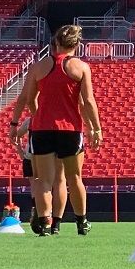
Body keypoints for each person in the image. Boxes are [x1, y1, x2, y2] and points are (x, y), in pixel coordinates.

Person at [10, 24, 102, 237]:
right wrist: (96, 129)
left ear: (55, 43)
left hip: (42, 129)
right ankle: (82, 222)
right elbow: (88, 101)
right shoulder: (81, 67)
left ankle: (44, 224)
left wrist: (16, 124)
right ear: (77, 45)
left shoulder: (38, 67)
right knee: (74, 178)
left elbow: (26, 98)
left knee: (43, 180)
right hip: (69, 129)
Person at [13, 120, 68, 233]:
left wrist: (21, 153)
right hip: (43, 154)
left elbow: (17, 136)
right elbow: (17, 136)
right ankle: (53, 221)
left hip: (34, 155)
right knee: (58, 182)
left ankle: (40, 214)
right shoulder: (56, 119)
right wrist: (20, 152)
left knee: (38, 183)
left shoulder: (31, 120)